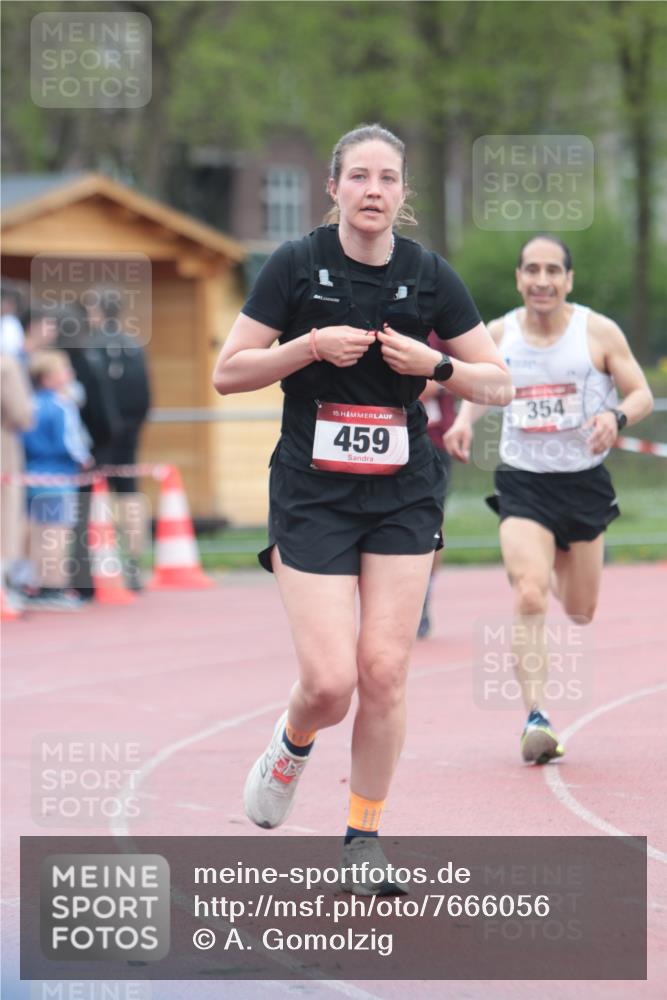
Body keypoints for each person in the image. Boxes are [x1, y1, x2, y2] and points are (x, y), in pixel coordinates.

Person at [213, 123, 513, 893]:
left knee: (382, 670)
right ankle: (291, 741)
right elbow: (228, 373)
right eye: (359, 177)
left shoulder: (430, 274)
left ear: (402, 193)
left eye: (387, 178)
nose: (373, 190)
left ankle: (362, 837)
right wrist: (307, 348)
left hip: (402, 490)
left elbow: (498, 382)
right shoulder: (295, 264)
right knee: (329, 683)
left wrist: (437, 365)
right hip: (313, 492)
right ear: (335, 189)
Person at [444, 235, 654, 764]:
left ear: (568, 280)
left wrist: (615, 416)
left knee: (580, 611)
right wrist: (465, 424)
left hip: (583, 484)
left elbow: (641, 393)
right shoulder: (499, 334)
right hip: (523, 480)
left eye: (553, 270)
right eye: (532, 270)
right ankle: (536, 718)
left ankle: (560, 558)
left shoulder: (597, 332)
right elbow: (479, 387)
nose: (542, 280)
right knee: (531, 595)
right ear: (519, 279)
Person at [85, 290, 151, 591]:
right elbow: (145, 393)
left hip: (98, 434)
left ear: (98, 311)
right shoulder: (134, 344)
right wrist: (134, 425)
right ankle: (133, 565)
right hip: (128, 432)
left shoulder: (89, 346)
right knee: (128, 493)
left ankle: (89, 565)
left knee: (90, 497)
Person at [22, 350, 93, 610]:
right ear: (49, 377)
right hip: (58, 476)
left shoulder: (30, 403)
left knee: (37, 534)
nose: (70, 376)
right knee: (57, 534)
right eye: (65, 371)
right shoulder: (62, 405)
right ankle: (53, 586)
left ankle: (34, 583)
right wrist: (84, 458)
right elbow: (70, 440)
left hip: (31, 474)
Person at [416, 330, 457, 638]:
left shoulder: (438, 306)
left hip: (432, 440)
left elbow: (473, 365)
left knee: (430, 522)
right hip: (384, 439)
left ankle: (422, 598)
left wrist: (434, 381)